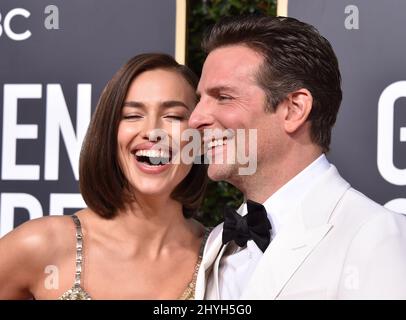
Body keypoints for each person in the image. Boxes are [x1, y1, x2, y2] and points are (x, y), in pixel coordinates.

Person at [191, 15, 406, 299]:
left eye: (224, 97)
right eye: (200, 99)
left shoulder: (378, 235)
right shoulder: (218, 242)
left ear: (294, 109)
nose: (195, 119)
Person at [0, 53, 208, 299]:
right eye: (132, 116)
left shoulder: (222, 259)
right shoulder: (41, 245)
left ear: (200, 139)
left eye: (174, 116)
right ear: (109, 133)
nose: (153, 132)